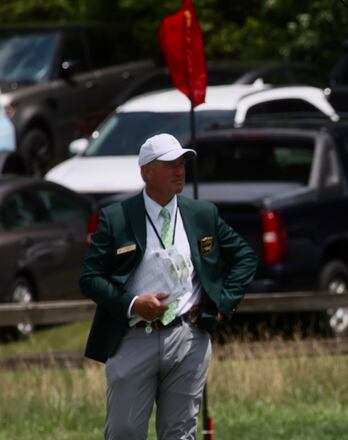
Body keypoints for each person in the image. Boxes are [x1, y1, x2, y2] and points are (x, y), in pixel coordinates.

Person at [80, 133, 258, 439]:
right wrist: (135, 304)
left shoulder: (202, 214)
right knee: (125, 432)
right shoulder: (116, 217)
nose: (180, 171)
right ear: (146, 171)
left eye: (182, 163)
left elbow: (245, 257)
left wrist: (221, 304)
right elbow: (90, 278)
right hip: (134, 336)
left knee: (180, 434)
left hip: (188, 337)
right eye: (170, 164)